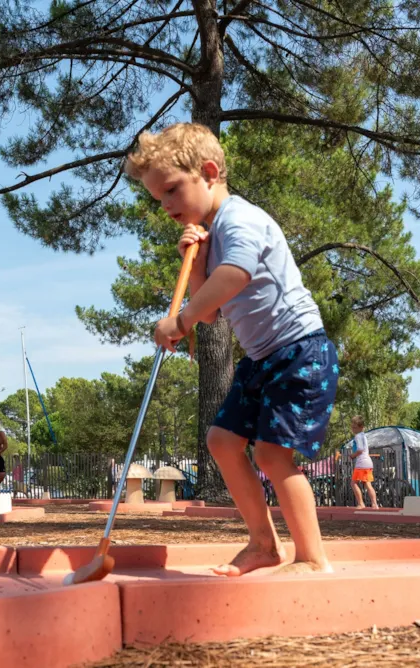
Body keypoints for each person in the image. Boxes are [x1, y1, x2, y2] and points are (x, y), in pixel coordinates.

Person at [132, 122, 339, 577]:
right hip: (262, 358)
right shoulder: (213, 234)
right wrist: (199, 263)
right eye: (158, 198)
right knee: (222, 441)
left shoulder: (240, 218)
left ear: (208, 172)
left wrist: (178, 319)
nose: (165, 205)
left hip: (299, 350)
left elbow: (237, 277)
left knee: (271, 455)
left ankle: (312, 557)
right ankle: (263, 545)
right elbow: (211, 311)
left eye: (171, 190)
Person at [348, 416, 378, 509]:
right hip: (368, 462)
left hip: (361, 463)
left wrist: (352, 455)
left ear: (361, 427)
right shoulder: (364, 436)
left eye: (355, 427)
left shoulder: (357, 436)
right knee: (367, 483)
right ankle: (374, 504)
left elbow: (360, 449)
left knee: (353, 483)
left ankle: (361, 503)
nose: (353, 429)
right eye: (352, 427)